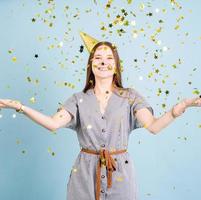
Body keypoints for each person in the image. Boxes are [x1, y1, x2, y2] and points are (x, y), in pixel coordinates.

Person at [0, 32, 201, 200]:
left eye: (109, 58)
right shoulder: (78, 99)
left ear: (116, 65)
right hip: (85, 174)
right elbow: (53, 124)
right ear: (90, 64)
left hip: (121, 174)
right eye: (97, 57)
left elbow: (154, 126)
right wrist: (20, 107)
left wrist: (181, 107)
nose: (103, 62)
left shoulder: (130, 97)